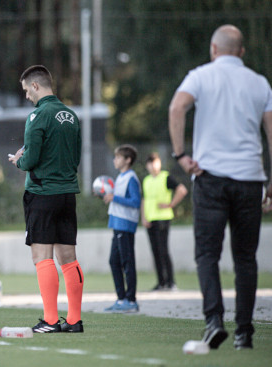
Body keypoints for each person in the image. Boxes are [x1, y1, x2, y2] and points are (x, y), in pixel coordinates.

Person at [168, 24, 272, 350]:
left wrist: (181, 155)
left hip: (210, 179)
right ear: (242, 51)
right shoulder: (260, 83)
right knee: (245, 258)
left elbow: (176, 107)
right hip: (250, 180)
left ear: (214, 49)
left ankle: (213, 322)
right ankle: (244, 332)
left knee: (207, 254)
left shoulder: (200, 76)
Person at [9, 65, 84, 333]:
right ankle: (74, 321)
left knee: (42, 256)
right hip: (67, 195)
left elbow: (31, 160)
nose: (27, 96)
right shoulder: (72, 115)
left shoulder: (37, 116)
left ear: (36, 86)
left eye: (27, 90)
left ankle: (51, 320)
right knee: (69, 258)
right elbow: (75, 158)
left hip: (42, 194)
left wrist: (19, 160)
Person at [102, 144, 141, 314]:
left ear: (128, 160)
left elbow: (135, 202)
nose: (115, 160)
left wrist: (115, 198)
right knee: (114, 261)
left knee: (127, 262)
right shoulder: (120, 177)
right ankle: (121, 299)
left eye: (118, 157)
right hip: (117, 224)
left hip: (125, 225)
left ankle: (131, 300)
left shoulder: (131, 178)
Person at [141, 153, 187, 292]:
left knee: (163, 250)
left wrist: (171, 204)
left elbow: (182, 189)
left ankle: (171, 282)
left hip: (163, 218)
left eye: (155, 162)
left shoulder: (165, 177)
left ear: (159, 163)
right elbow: (144, 200)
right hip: (150, 220)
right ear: (146, 165)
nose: (152, 166)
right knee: (155, 251)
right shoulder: (146, 180)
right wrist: (143, 217)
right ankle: (161, 282)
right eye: (150, 163)